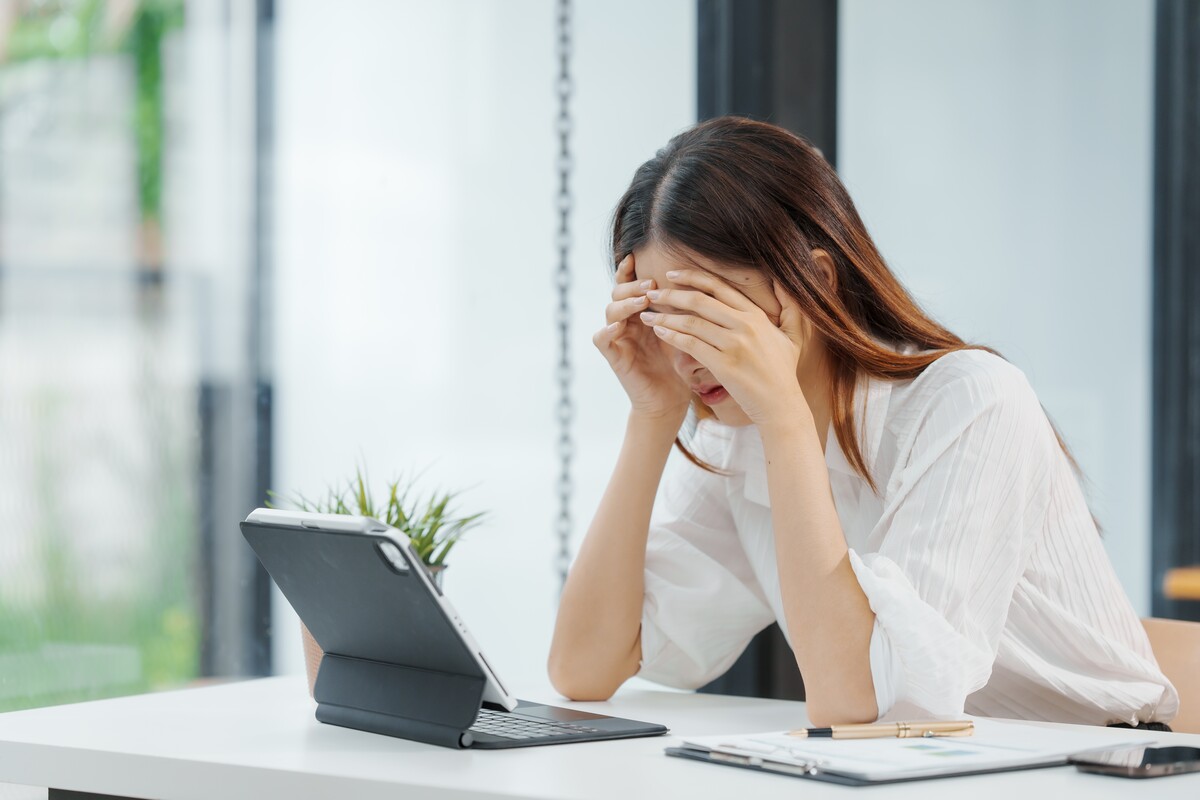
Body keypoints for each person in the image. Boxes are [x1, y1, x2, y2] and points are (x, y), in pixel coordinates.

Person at [547, 116, 1178, 729]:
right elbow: (585, 667)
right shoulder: (735, 434)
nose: (687, 353)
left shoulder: (970, 402)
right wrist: (653, 416)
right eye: (664, 317)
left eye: (710, 311)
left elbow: (860, 703)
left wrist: (785, 422)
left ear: (817, 281)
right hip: (932, 769)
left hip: (1097, 766)